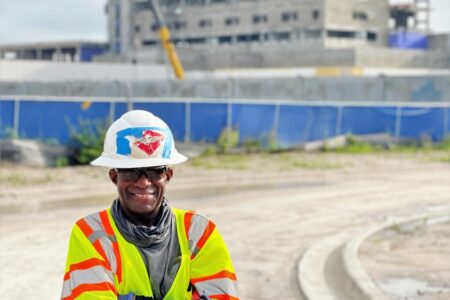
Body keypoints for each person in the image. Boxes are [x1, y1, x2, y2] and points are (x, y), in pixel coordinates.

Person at [61, 110, 239, 300]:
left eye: (154, 171)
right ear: (114, 177)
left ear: (167, 176)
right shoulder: (90, 233)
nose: (143, 182)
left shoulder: (199, 232)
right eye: (130, 172)